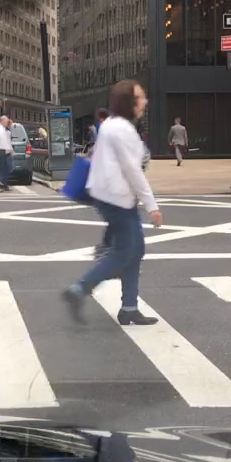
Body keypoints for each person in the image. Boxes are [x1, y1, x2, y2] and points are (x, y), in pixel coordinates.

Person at [62, 80, 163, 326]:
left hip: (111, 196)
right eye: (141, 97)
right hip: (117, 199)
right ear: (130, 102)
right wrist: (152, 205)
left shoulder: (111, 125)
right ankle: (80, 289)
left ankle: (129, 308)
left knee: (134, 251)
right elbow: (133, 170)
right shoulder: (122, 130)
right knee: (126, 251)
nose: (145, 101)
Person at [0, 115, 14, 192]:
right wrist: (10, 150)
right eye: (6, 121)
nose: (7, 122)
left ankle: (2, 185)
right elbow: (4, 142)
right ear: (2, 121)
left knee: (3, 169)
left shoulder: (1, 129)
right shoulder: (0, 130)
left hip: (1, 151)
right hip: (0, 151)